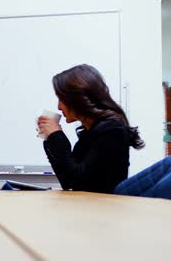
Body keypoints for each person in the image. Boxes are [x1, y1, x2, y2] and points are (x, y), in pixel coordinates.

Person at [37, 64, 145, 193]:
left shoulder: (112, 130)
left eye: (61, 99)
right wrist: (50, 138)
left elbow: (79, 181)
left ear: (76, 99)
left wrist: (57, 136)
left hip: (103, 210)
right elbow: (67, 181)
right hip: (91, 207)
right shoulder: (90, 133)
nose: (59, 107)